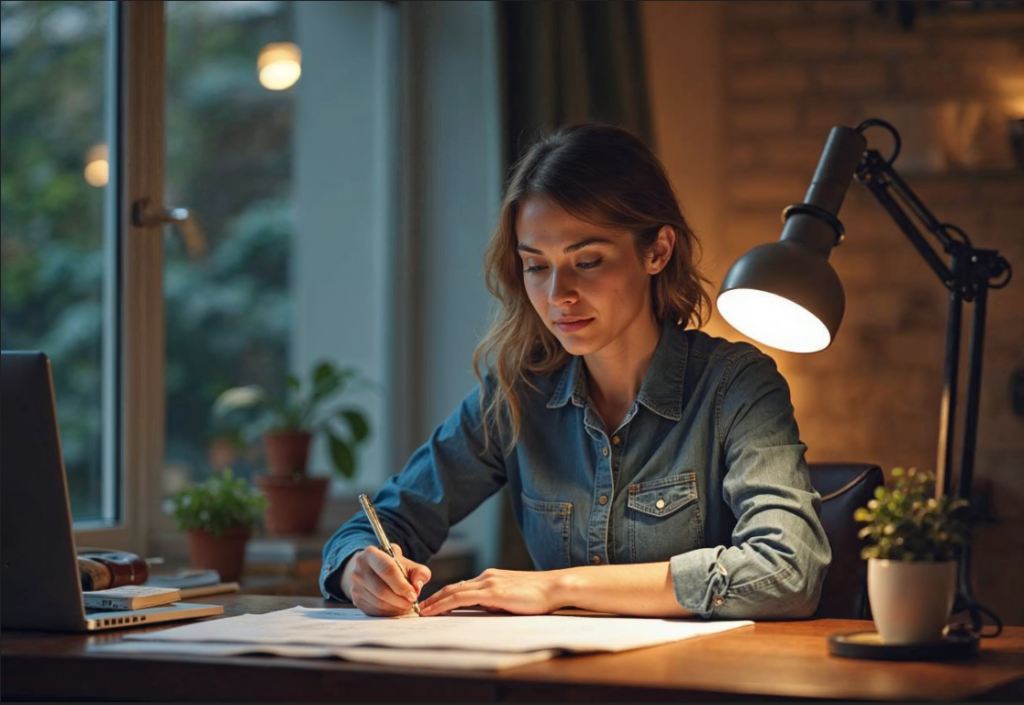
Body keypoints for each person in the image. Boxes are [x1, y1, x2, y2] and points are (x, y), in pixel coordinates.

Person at [320, 123, 831, 620]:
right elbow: (382, 522)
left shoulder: (737, 386)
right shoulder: (518, 394)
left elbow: (788, 570)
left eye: (587, 261)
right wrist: (358, 570)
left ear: (657, 251)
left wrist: (557, 587)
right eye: (537, 266)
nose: (558, 295)